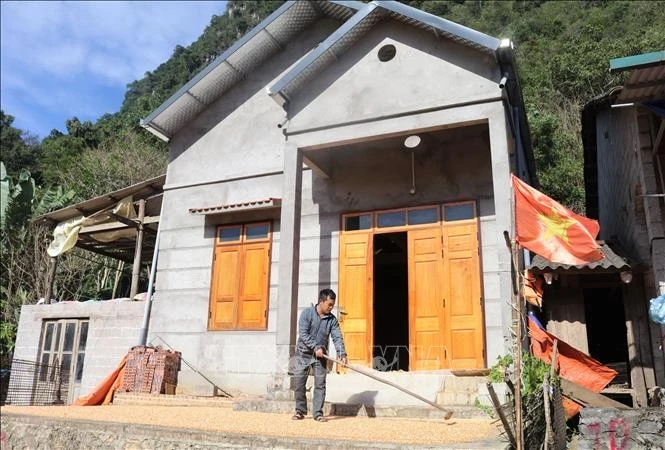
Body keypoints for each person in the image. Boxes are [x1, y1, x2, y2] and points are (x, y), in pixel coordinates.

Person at [292, 288, 347, 422]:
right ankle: (300, 411)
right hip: (303, 353)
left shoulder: (332, 320)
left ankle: (318, 413)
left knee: (320, 384)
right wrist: (315, 346)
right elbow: (303, 334)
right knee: (299, 383)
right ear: (321, 302)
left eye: (332, 305)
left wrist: (342, 353)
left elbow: (337, 337)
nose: (331, 307)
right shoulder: (307, 314)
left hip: (320, 356)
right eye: (329, 304)